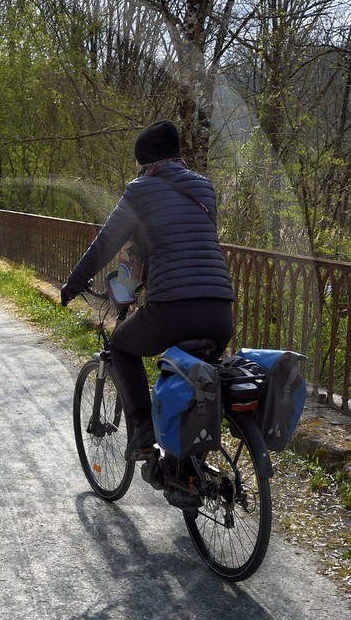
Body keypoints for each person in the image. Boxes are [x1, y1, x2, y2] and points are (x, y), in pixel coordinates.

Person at [59, 119, 235, 458]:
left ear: (145, 162)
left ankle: (142, 430)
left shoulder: (140, 191)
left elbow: (105, 244)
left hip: (173, 309)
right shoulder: (204, 189)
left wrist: (74, 283)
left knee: (122, 347)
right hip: (220, 311)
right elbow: (178, 242)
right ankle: (190, 470)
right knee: (194, 380)